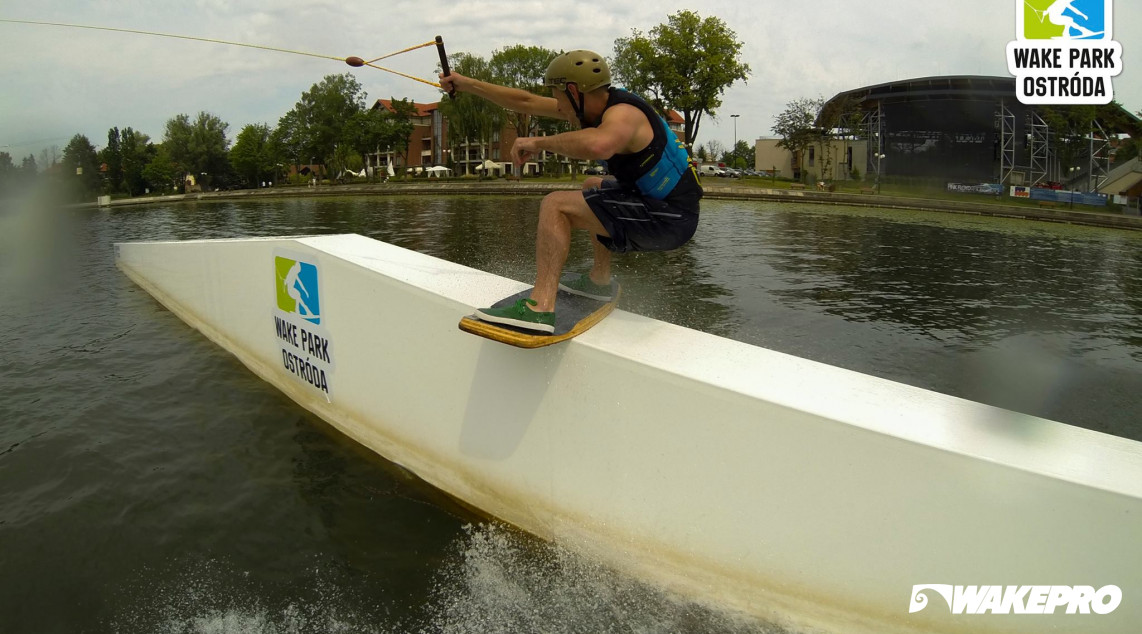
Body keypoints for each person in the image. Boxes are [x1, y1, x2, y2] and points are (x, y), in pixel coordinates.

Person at [439, 50, 702, 333]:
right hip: (660, 207)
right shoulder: (593, 106)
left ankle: (539, 308)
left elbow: (599, 145)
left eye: (558, 95)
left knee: (556, 205)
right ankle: (599, 280)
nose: (559, 105)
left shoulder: (624, 114)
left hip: (670, 218)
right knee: (591, 186)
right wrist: (466, 84)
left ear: (574, 91)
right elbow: (525, 101)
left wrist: (538, 142)